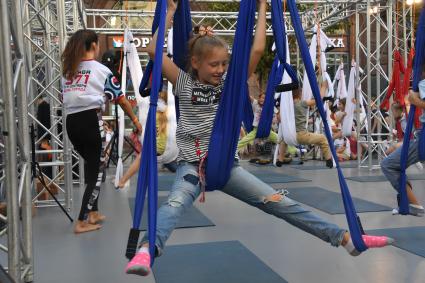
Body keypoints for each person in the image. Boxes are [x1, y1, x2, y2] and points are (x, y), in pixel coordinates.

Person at [125, 0, 393, 276]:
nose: (219, 69)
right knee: (173, 205)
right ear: (195, 62)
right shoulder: (184, 83)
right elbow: (153, 50)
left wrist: (263, 6)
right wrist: (169, 12)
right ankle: (147, 251)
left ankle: (346, 239)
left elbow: (257, 49)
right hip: (192, 167)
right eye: (214, 64)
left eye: (224, 64)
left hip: (227, 167)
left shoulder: (229, 85)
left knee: (281, 204)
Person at [61, 29, 142, 233]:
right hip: (90, 121)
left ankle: (93, 211)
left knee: (92, 164)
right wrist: (134, 119)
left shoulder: (69, 70)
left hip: (72, 122)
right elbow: (121, 99)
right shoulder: (101, 70)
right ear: (94, 46)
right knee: (96, 170)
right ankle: (81, 220)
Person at [381, 63, 425, 217]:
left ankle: (413, 204)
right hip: (418, 139)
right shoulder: (401, 121)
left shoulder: (423, 83)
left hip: (421, 140)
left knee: (388, 164)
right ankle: (407, 202)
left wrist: (415, 101)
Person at [116, 91, 177, 189]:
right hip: (167, 149)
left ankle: (123, 180)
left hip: (155, 149)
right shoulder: (169, 113)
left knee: (140, 160)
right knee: (174, 164)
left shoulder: (154, 113)